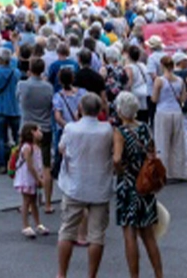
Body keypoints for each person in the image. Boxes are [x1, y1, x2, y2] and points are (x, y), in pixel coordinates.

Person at [56, 94, 114, 278]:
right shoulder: (107, 130)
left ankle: (62, 273)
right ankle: (91, 275)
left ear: (80, 108)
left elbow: (61, 148)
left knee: (67, 230)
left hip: (75, 184)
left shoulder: (71, 128)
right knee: (96, 235)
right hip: (99, 186)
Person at [112, 93, 163, 278]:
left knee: (129, 231)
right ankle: (159, 274)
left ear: (120, 110)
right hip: (146, 183)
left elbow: (117, 158)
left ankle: (134, 275)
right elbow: (152, 152)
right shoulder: (145, 128)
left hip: (128, 183)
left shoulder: (120, 132)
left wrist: (118, 169)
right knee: (148, 234)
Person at [18, 57, 55, 213]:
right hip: (44, 127)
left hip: (27, 127)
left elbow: (18, 99)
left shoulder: (22, 85)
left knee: (27, 165)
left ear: (29, 69)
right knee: (46, 166)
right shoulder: (48, 87)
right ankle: (47, 203)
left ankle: (27, 203)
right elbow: (50, 105)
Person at [151, 56, 187, 181]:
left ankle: (162, 172)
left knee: (162, 142)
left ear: (162, 66)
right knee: (177, 143)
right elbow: (183, 98)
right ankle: (178, 171)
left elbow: (154, 99)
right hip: (176, 112)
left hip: (163, 112)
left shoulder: (159, 80)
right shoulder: (180, 80)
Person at [0, 47, 20, 173]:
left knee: (0, 137)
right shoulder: (16, 72)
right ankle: (17, 161)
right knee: (17, 136)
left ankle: (1, 164)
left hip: (0, 107)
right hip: (15, 107)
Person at [13, 122, 48, 238]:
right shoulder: (27, 147)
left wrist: (40, 176)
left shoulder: (36, 147)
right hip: (27, 178)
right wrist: (38, 177)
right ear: (32, 132)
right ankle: (25, 225)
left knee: (34, 201)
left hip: (32, 177)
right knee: (26, 201)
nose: (41, 133)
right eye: (39, 130)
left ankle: (38, 224)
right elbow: (30, 165)